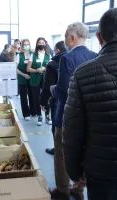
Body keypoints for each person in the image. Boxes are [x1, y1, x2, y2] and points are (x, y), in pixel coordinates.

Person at [63, 8, 117, 200]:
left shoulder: (84, 73)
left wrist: (74, 171)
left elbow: (72, 129)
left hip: (101, 171)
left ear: (99, 37)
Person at [50, 22, 97, 200]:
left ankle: (62, 189)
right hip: (87, 115)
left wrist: (52, 89)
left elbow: (62, 91)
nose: (65, 41)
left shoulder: (66, 59)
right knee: (83, 151)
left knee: (61, 152)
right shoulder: (95, 56)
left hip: (66, 115)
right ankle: (79, 191)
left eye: (65, 37)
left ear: (72, 37)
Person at [40, 41, 67, 155]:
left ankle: (57, 150)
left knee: (57, 127)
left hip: (58, 99)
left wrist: (42, 102)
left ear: (57, 50)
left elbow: (47, 86)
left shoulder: (52, 64)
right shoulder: (76, 60)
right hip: (74, 99)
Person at [27, 37, 51, 126]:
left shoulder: (48, 55)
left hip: (45, 79)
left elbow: (49, 67)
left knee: (47, 97)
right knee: (36, 98)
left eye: (42, 43)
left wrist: (44, 68)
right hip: (35, 79)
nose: (41, 44)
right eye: (39, 43)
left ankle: (48, 115)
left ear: (45, 44)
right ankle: (39, 116)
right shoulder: (33, 55)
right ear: (37, 44)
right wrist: (36, 70)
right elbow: (28, 69)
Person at [16, 39, 36, 120]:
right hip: (22, 78)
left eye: (28, 44)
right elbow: (15, 68)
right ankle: (26, 114)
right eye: (25, 44)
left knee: (32, 95)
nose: (26, 46)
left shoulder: (33, 54)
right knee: (23, 96)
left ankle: (33, 111)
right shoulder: (19, 55)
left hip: (32, 78)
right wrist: (23, 74)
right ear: (22, 45)